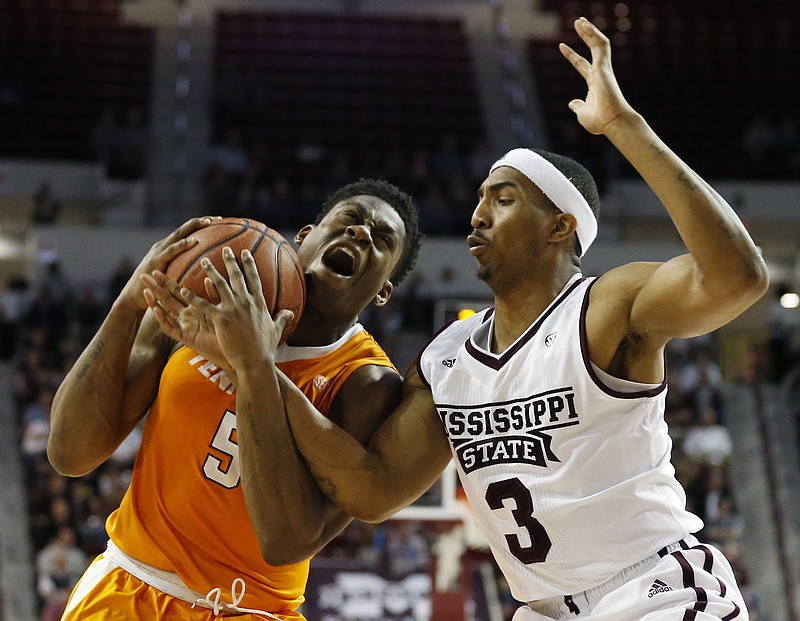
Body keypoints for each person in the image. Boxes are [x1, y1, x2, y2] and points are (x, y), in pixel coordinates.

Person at [218, 17, 768, 621]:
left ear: (560, 227)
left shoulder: (606, 307)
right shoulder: (449, 356)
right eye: (480, 199)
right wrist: (258, 366)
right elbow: (372, 490)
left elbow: (737, 278)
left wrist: (623, 127)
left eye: (502, 200)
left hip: (650, 590)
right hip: (541, 609)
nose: (478, 215)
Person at [46, 178, 422, 619]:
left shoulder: (367, 383)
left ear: (383, 291)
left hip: (251, 610)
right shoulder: (203, 300)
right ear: (305, 237)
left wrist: (252, 365)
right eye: (351, 219)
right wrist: (128, 305)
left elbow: (288, 541)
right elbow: (69, 454)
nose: (361, 233)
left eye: (381, 239)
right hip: (129, 585)